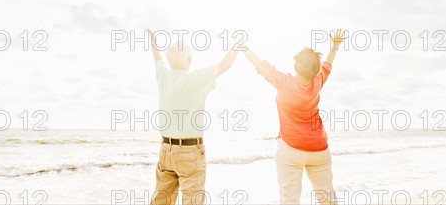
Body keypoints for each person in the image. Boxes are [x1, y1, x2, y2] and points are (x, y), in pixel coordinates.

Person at [243, 29, 347, 205]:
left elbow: (260, 64)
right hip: (319, 149)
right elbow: (328, 64)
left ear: (296, 64)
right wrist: (335, 46)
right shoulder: (318, 81)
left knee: (290, 200)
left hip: (291, 149)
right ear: (315, 70)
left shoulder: (283, 82)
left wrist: (243, 48)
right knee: (327, 199)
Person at [146, 29, 238, 205]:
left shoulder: (163, 76)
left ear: (170, 60)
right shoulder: (196, 78)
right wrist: (237, 44)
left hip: (166, 150)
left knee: (161, 200)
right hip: (189, 152)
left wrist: (154, 43)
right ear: (189, 59)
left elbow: (157, 58)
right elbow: (225, 65)